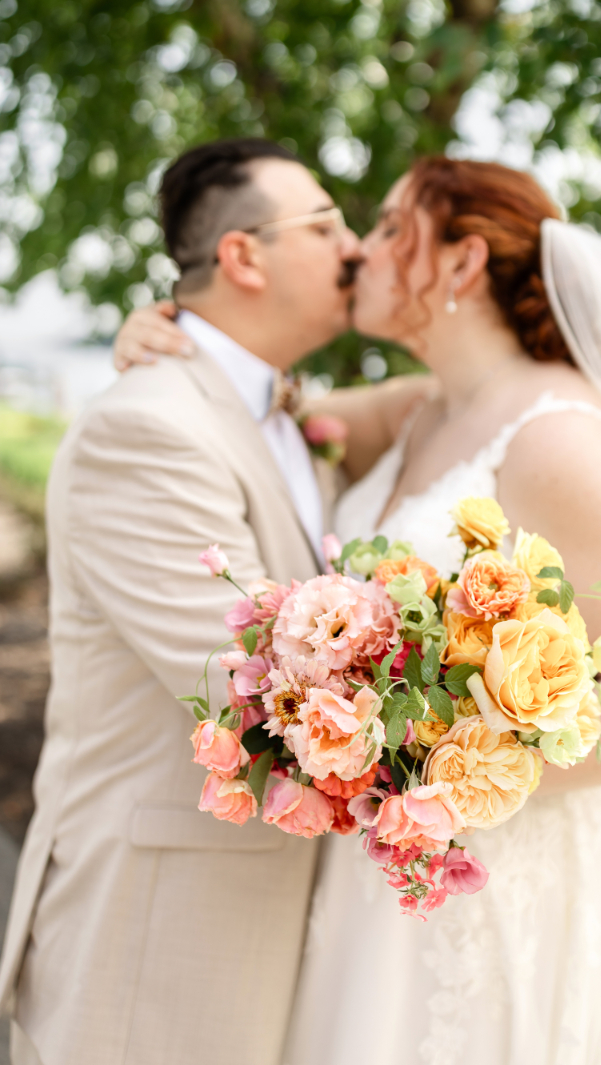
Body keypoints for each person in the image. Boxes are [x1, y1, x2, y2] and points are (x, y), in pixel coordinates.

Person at [113, 156, 601, 1064]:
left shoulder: (560, 440)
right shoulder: (420, 414)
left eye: (395, 227)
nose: (362, 251)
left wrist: (444, 768)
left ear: (463, 262)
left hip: (501, 880)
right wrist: (172, 333)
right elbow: (270, 416)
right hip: (387, 877)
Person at [0, 137, 366, 1065]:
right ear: (243, 255)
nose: (356, 246)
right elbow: (259, 692)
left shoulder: (286, 410)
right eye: (326, 225)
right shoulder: (149, 427)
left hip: (277, 934)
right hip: (159, 941)